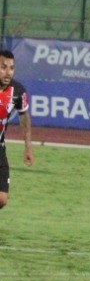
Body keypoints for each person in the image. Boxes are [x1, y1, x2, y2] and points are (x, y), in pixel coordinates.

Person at [0, 50, 35, 213]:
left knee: (2, 199)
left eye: (11, 68)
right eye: (3, 67)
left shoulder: (18, 91)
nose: (8, 72)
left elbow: (24, 118)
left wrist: (28, 146)